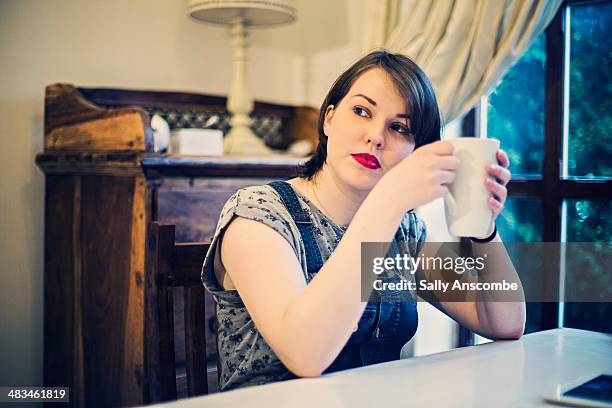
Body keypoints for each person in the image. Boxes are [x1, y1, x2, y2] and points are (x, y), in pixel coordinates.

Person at [201, 50, 526, 391]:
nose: (376, 136)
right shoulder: (259, 214)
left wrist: (483, 227)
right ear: (329, 119)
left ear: (415, 151)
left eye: (399, 127)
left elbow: (505, 322)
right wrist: (390, 199)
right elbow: (305, 355)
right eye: (361, 111)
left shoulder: (404, 232)